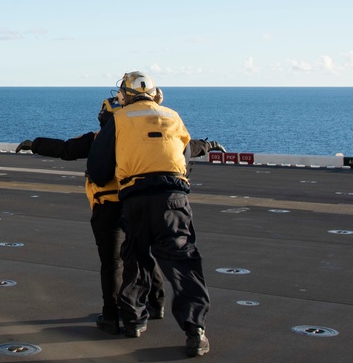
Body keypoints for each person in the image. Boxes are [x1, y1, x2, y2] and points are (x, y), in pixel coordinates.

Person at [15, 96, 166, 335]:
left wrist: (35, 144)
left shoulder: (97, 139)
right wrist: (206, 146)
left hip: (107, 207)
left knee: (112, 263)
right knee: (142, 255)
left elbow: (65, 149)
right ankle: (156, 303)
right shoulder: (138, 139)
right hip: (137, 204)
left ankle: (111, 314)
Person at [87, 71, 212, 357]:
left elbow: (98, 169)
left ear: (123, 95)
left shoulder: (118, 120)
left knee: (136, 257)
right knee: (184, 264)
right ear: (156, 94)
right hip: (174, 199)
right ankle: (196, 331)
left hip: (136, 198)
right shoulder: (173, 116)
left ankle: (133, 321)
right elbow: (185, 158)